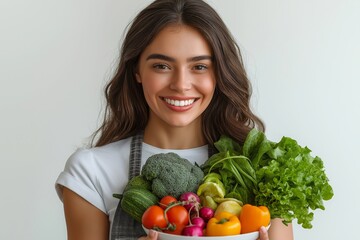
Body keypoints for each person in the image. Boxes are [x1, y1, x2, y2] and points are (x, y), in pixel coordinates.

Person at [55, 0, 294, 239]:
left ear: (219, 74)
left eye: (199, 66)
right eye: (161, 66)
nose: (180, 84)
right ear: (137, 70)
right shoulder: (91, 171)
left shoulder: (260, 170)